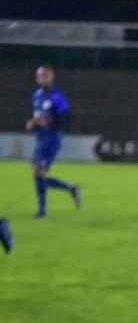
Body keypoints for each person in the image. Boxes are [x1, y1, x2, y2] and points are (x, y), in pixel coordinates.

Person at [26, 65, 82, 219]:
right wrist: (32, 123)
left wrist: (50, 122)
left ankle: (42, 211)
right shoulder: (36, 96)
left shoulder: (57, 96)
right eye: (38, 76)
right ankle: (71, 189)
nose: (39, 79)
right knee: (38, 175)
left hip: (52, 138)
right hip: (40, 139)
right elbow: (38, 118)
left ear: (50, 77)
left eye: (43, 76)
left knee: (39, 172)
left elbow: (67, 117)